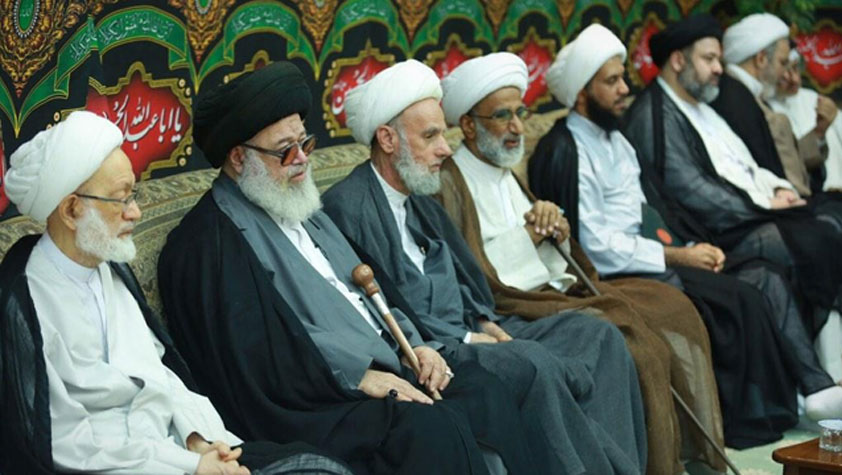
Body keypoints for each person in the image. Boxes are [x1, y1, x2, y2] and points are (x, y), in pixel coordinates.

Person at [158, 61, 543, 475]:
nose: (302, 160)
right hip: (318, 401)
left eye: (305, 143)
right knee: (429, 428)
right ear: (238, 158)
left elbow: (375, 291)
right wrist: (359, 377)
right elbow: (258, 360)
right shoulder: (208, 245)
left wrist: (417, 346)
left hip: (388, 364)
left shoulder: (303, 207)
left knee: (481, 390)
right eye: (285, 150)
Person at [323, 58, 647, 474]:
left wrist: (482, 321)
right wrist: (469, 337)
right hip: (437, 349)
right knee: (534, 364)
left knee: (598, 335)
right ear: (387, 139)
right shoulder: (349, 208)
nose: (446, 148)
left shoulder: (420, 197)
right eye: (431, 136)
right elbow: (383, 312)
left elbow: (466, 276)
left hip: (473, 329)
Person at [0, 110, 352, 475]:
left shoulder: (109, 268)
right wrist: (191, 464)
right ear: (72, 211)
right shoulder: (24, 306)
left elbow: (162, 375)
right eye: (121, 199)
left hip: (174, 445)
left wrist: (201, 440)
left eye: (133, 195)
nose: (135, 212)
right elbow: (60, 443)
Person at [438, 51, 725, 474]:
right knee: (631, 342)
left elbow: (554, 253)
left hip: (552, 289)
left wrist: (556, 227)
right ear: (467, 125)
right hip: (516, 306)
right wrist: (531, 235)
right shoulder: (450, 180)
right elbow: (472, 271)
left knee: (671, 306)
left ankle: (676, 459)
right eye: (503, 116)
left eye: (520, 113)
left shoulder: (502, 168)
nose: (517, 127)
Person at [531, 22, 802, 447]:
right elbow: (593, 246)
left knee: (761, 273)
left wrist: (689, 245)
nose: (625, 89)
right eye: (612, 81)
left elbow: (652, 207)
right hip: (620, 274)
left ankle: (788, 400)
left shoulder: (616, 138)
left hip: (655, 254)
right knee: (736, 299)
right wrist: (678, 256)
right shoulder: (565, 149)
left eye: (623, 78)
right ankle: (737, 421)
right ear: (582, 93)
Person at [623, 14, 842, 421]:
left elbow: (745, 165)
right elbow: (691, 190)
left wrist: (776, 188)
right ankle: (820, 379)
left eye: (718, 60)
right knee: (814, 241)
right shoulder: (654, 114)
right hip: (712, 231)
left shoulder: (703, 108)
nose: (718, 70)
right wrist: (762, 206)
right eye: (709, 59)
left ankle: (825, 380)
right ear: (678, 60)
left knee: (832, 221)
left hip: (748, 214)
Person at [712, 13, 834, 202]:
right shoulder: (736, 101)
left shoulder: (749, 94)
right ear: (761, 59)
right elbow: (773, 170)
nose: (785, 73)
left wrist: (818, 133)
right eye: (783, 63)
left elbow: (781, 156)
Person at [771, 48, 842, 192]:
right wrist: (818, 133)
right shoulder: (766, 108)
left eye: (795, 68)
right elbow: (792, 162)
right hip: (817, 195)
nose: (794, 79)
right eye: (785, 72)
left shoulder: (812, 97)